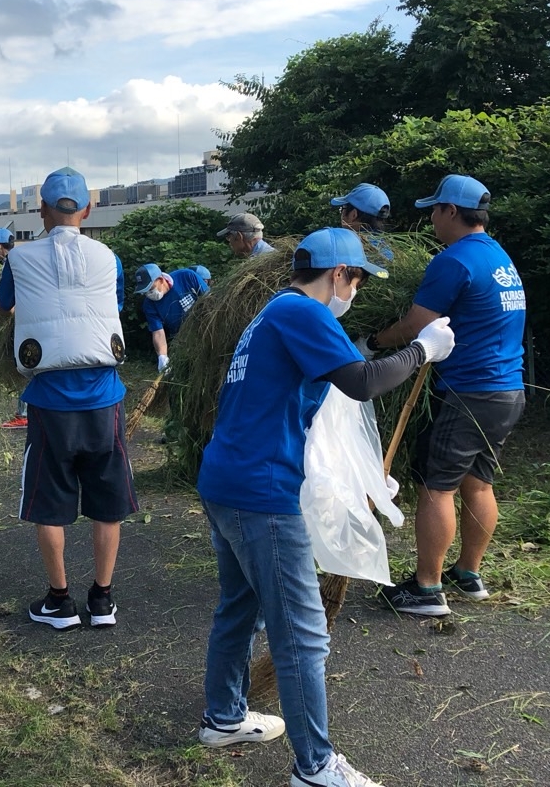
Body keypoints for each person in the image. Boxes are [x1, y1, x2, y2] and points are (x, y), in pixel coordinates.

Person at [195, 227, 454, 787]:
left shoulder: (273, 313)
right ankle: (315, 767)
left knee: (239, 607)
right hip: (260, 493)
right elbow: (361, 382)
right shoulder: (303, 312)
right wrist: (422, 348)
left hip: (227, 479)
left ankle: (224, 717)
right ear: (338, 274)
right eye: (357, 278)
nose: (356, 290)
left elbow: (333, 380)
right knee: (302, 631)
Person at [365, 175, 526, 617]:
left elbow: (418, 324)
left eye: (435, 210)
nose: (431, 218)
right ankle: (468, 574)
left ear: (451, 212)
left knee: (436, 486)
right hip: (507, 390)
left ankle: (427, 588)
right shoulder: (498, 256)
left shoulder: (454, 261)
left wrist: (374, 343)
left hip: (468, 391)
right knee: (478, 482)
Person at [0, 166, 136, 631]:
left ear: (41, 211)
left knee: (50, 499)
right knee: (107, 498)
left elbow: (2, 305)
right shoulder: (108, 256)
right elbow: (110, 306)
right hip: (104, 399)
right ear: (90, 210)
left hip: (51, 400)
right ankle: (103, 599)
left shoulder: (18, 257)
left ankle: (59, 601)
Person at [0, 228, 31, 429]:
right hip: (33, 318)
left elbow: (5, 302)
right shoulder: (24, 258)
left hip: (23, 322)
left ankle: (23, 414)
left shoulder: (11, 263)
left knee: (23, 366)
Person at [133, 264, 205, 373]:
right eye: (145, 292)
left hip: (205, 329)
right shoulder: (149, 305)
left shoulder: (186, 277)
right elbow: (158, 332)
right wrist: (162, 357)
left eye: (150, 289)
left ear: (161, 280)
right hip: (182, 341)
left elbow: (210, 301)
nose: (148, 294)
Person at [331, 183, 393, 262]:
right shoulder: (387, 251)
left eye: (342, 208)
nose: (341, 213)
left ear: (353, 214)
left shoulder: (342, 250)